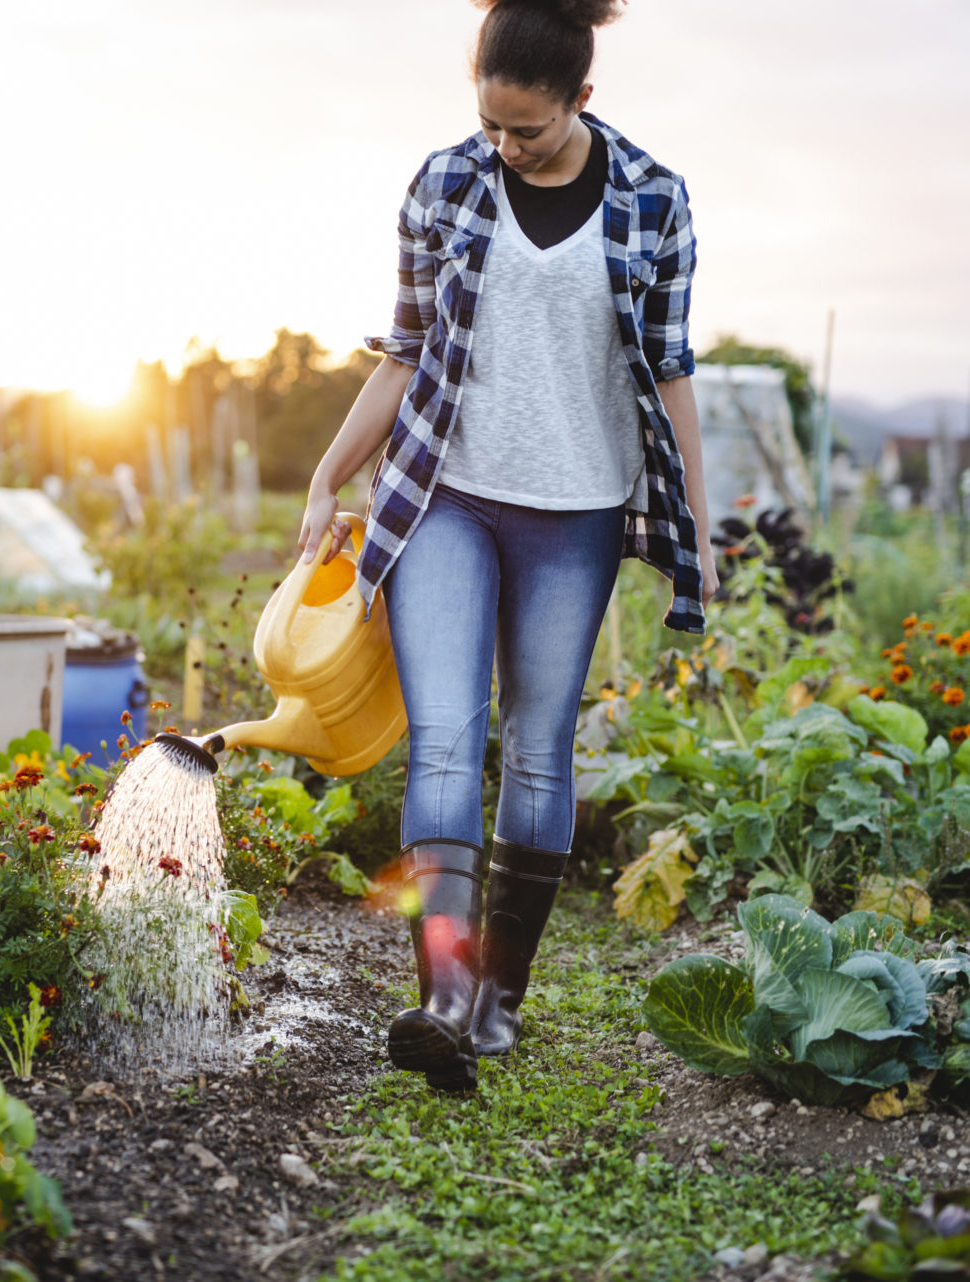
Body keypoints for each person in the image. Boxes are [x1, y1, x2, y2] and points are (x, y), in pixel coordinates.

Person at [296, 0, 718, 1092]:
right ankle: (441, 991)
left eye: (526, 129)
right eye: (490, 123)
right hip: (446, 493)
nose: (506, 146)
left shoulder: (654, 200)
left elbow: (671, 376)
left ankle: (497, 1004)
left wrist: (698, 533)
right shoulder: (444, 184)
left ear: (582, 97)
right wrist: (329, 470)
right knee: (444, 737)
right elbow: (404, 351)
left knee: (538, 748)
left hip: (576, 510)